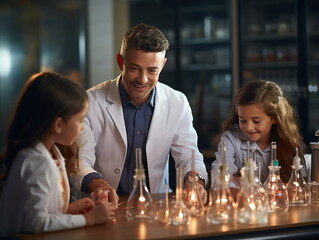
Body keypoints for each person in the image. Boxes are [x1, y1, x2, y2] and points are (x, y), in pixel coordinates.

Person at [69, 23, 208, 205]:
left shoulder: (177, 102)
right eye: (134, 68)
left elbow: (188, 155)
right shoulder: (89, 102)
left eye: (152, 71)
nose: (142, 80)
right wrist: (97, 183)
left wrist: (194, 180)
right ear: (120, 62)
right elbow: (79, 159)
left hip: (157, 206)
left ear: (163, 65)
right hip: (102, 206)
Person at [0, 72, 116, 237]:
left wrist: (67, 209)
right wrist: (88, 219)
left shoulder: (52, 153)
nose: (82, 127)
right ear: (59, 124)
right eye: (80, 120)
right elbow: (36, 222)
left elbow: (36, 210)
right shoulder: (36, 161)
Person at [211, 80, 307, 198]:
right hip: (244, 210)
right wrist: (253, 197)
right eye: (243, 120)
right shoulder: (230, 139)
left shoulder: (288, 143)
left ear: (274, 118)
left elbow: (300, 184)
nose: (249, 127)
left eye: (256, 121)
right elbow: (220, 180)